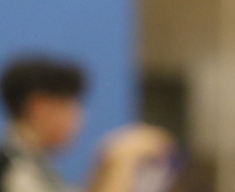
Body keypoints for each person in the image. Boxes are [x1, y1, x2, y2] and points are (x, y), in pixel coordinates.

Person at [0, 57, 175, 192]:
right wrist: (122, 161)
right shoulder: (12, 170)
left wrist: (106, 161)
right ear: (40, 107)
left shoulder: (36, 165)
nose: (78, 117)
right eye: (68, 105)